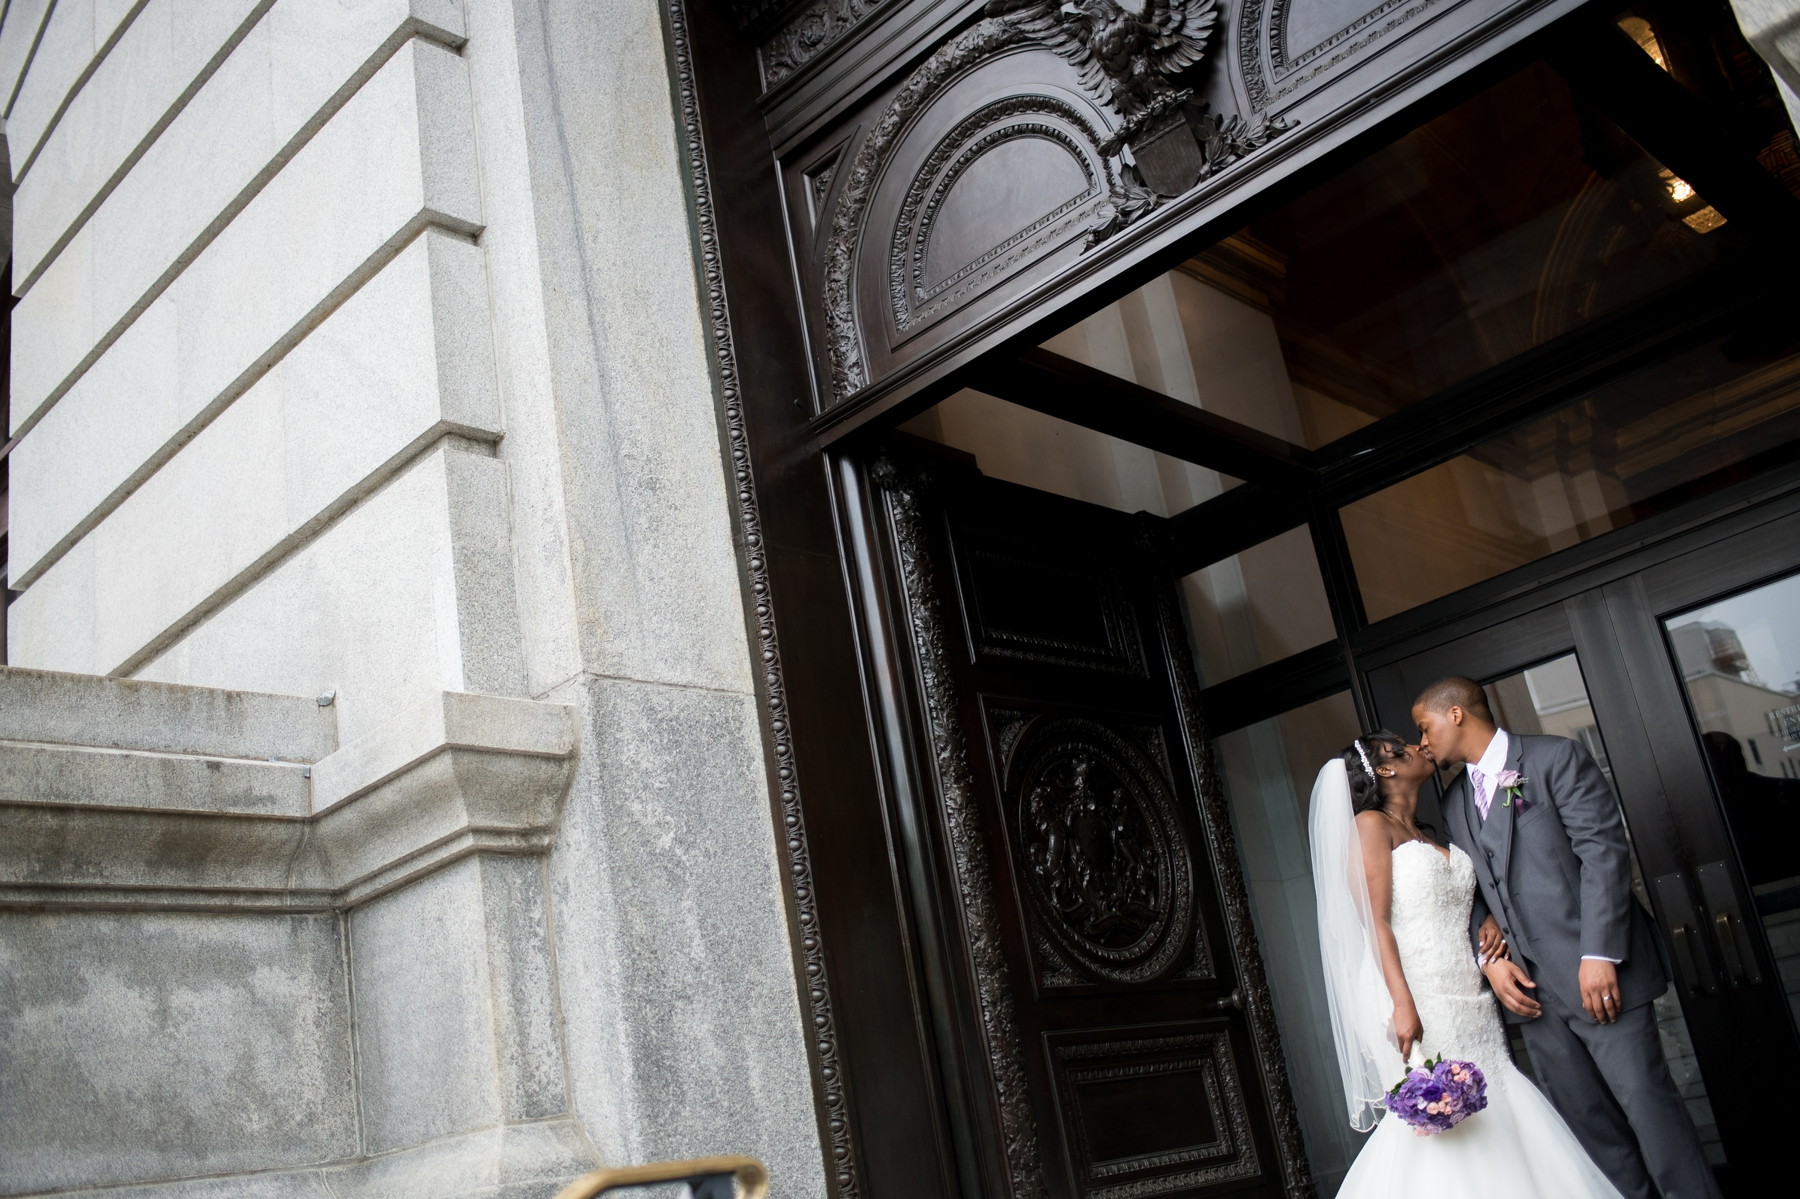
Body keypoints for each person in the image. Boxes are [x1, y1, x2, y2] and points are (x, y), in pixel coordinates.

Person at [1414, 677, 1721, 1199]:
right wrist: (1488, 956)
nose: (1423, 742)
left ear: (1457, 714)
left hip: (1599, 977)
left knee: (1651, 1112)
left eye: (1425, 727)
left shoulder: (1555, 758)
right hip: (1532, 998)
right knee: (1590, 1130)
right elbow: (1469, 886)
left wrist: (1599, 953)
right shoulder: (1453, 801)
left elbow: (1604, 854)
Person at [1310, 732, 1623, 1199]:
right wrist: (1401, 1003)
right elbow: (1375, 923)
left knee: (1492, 1101)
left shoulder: (1427, 830)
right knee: (1445, 1121)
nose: (1419, 746)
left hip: (1466, 993)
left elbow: (1456, 901)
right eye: (1402, 747)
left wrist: (1489, 921)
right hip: (1413, 994)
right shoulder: (1370, 826)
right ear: (1387, 769)